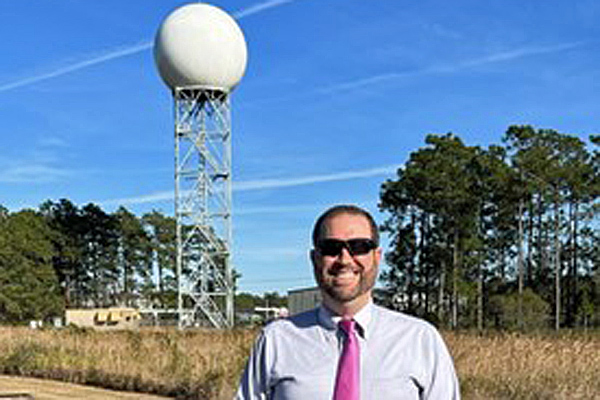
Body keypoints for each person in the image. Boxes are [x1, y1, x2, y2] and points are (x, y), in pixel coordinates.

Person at [236, 204, 460, 399]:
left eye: (359, 246)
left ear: (377, 256)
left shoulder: (420, 340)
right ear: (315, 258)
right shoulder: (277, 340)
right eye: (331, 248)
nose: (344, 259)